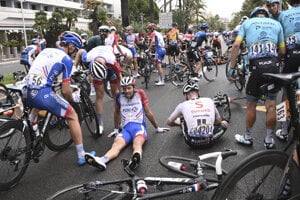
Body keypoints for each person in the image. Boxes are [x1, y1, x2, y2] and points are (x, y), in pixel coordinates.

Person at [22, 31, 96, 166]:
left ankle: (31, 127)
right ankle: (81, 155)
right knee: (72, 115)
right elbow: (66, 91)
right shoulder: (66, 59)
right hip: (41, 93)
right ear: (72, 46)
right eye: (75, 51)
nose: (74, 54)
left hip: (26, 90)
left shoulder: (46, 50)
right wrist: (73, 99)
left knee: (37, 104)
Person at [227, 7, 286, 149]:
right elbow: (282, 50)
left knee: (251, 104)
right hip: (273, 67)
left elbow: (236, 45)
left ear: (253, 16)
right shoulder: (276, 24)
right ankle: (269, 140)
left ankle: (247, 137)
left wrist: (232, 67)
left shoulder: (247, 23)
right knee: (271, 104)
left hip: (256, 68)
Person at [84, 76, 170, 171]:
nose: (127, 91)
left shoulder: (140, 94)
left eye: (129, 88)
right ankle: (102, 160)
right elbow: (116, 113)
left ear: (133, 87)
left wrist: (157, 128)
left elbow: (148, 112)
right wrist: (116, 130)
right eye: (124, 89)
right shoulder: (119, 97)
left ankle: (135, 158)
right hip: (126, 130)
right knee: (116, 144)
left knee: (137, 143)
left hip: (139, 127)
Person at [73, 44, 121, 135]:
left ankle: (120, 120)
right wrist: (74, 67)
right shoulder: (87, 58)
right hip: (95, 64)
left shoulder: (112, 62)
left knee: (117, 95)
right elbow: (80, 51)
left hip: (110, 70)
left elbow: (119, 77)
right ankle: (100, 124)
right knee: (99, 96)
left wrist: (122, 94)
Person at [166, 81, 228, 148]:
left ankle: (189, 127)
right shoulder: (209, 101)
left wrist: (180, 123)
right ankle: (208, 135)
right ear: (198, 93)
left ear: (186, 95)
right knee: (224, 123)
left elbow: (168, 122)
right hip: (209, 141)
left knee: (182, 116)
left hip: (191, 142)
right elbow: (219, 121)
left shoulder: (182, 105)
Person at [276, 0, 300, 141]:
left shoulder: (283, 15)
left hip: (292, 55)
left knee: (285, 92)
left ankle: (284, 130)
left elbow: (280, 41)